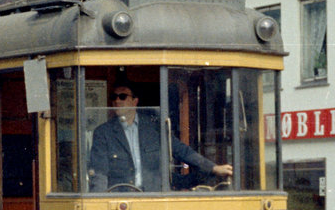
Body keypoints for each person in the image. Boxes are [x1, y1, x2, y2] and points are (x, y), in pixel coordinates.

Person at [88, 80, 232, 192]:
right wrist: (97, 205)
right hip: (121, 202)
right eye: (114, 97)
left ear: (135, 101)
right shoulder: (103, 133)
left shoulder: (155, 129)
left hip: (155, 200)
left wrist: (213, 168)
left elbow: (181, 151)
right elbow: (99, 173)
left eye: (123, 96)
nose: (117, 101)